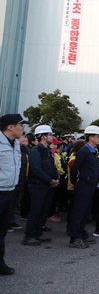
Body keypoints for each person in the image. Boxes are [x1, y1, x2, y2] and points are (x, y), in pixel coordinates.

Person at [22, 125, 59, 246]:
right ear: (43, 136)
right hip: (38, 186)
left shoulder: (47, 150)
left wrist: (56, 178)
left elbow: (52, 167)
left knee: (44, 211)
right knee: (36, 211)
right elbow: (36, 169)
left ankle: (37, 234)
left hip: (47, 186)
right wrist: (50, 180)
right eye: (50, 135)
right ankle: (30, 235)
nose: (52, 137)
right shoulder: (36, 151)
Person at [0, 113, 27, 275]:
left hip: (10, 192)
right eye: (20, 125)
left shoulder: (15, 144)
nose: (23, 129)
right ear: (10, 127)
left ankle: (0, 261)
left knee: (2, 230)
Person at [68, 125, 99, 248]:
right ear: (91, 137)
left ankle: (81, 234)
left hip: (90, 185)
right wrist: (75, 181)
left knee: (85, 212)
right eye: (97, 136)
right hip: (83, 185)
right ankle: (75, 238)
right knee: (79, 211)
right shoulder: (84, 151)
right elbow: (75, 168)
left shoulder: (93, 151)